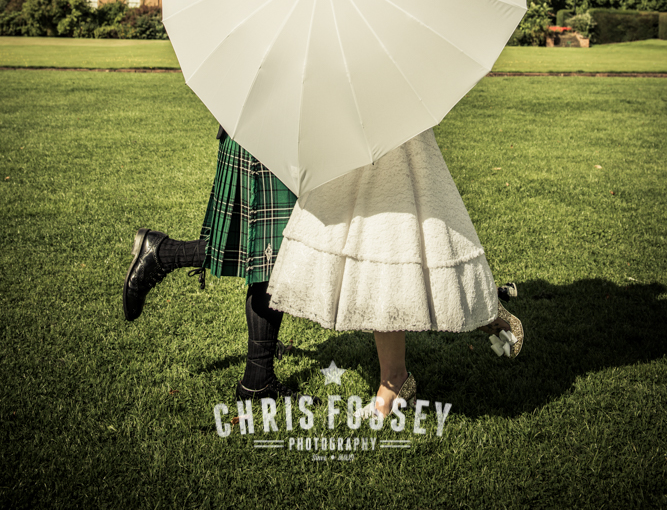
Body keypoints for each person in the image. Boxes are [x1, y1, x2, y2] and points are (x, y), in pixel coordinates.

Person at [267, 127, 523, 419]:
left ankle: (489, 315)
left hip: (398, 142)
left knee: (420, 247)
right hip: (351, 145)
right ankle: (394, 381)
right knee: (379, 265)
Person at [123, 126, 301, 402]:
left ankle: (258, 380)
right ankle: (163, 253)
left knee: (273, 254)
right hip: (266, 144)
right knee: (272, 255)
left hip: (271, 141)